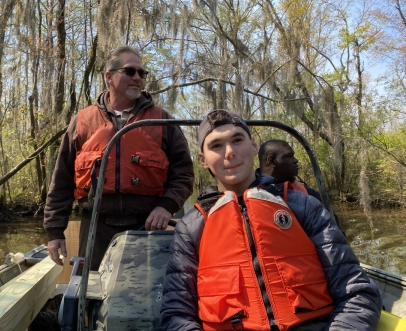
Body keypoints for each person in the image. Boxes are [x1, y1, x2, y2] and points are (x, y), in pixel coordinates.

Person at [160, 109, 381, 330]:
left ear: (254, 146)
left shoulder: (304, 207)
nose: (229, 152)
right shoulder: (191, 228)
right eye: (216, 146)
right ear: (203, 160)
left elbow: (357, 293)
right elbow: (176, 315)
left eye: (237, 140)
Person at [43, 45, 194, 270]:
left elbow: (184, 174)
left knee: (145, 296)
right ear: (109, 77)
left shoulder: (162, 120)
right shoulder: (83, 121)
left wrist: (166, 206)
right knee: (92, 293)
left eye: (142, 73)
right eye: (130, 71)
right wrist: (55, 231)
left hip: (147, 227)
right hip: (95, 227)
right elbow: (62, 180)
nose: (138, 78)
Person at [258, 139, 322, 202]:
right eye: (289, 156)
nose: (296, 160)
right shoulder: (252, 191)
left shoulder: (310, 194)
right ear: (271, 161)